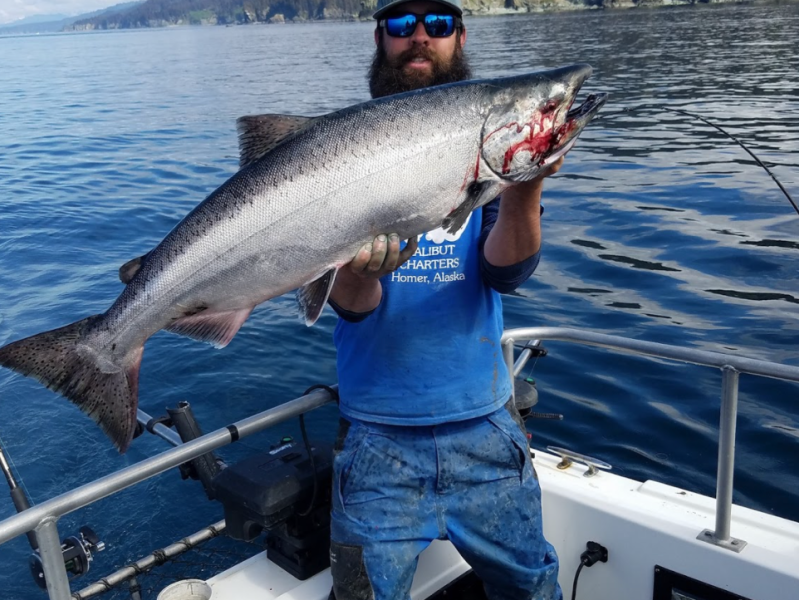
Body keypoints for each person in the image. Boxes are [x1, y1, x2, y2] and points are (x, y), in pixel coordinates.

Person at [326, 0, 564, 598]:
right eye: (403, 26)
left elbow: (506, 274)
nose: (420, 38)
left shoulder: (487, 142)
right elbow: (352, 306)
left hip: (486, 426)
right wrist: (360, 271)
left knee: (532, 590)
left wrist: (522, 186)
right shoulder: (334, 156)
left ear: (460, 36)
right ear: (381, 38)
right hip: (376, 443)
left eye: (437, 25)